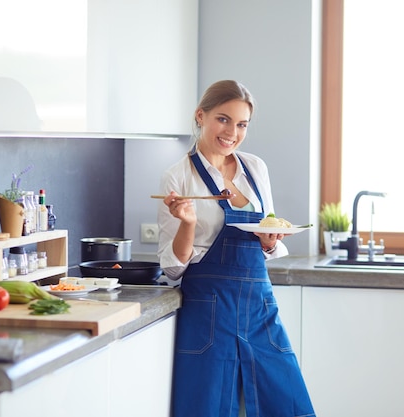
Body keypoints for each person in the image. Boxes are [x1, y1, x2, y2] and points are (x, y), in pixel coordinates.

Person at [156, 80, 315, 417]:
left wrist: (269, 240)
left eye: (242, 124)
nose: (232, 132)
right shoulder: (178, 177)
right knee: (210, 408)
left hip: (259, 307)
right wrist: (187, 222)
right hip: (208, 313)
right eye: (223, 119)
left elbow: (266, 229)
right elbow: (173, 267)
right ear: (201, 116)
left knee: (288, 405)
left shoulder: (255, 168)